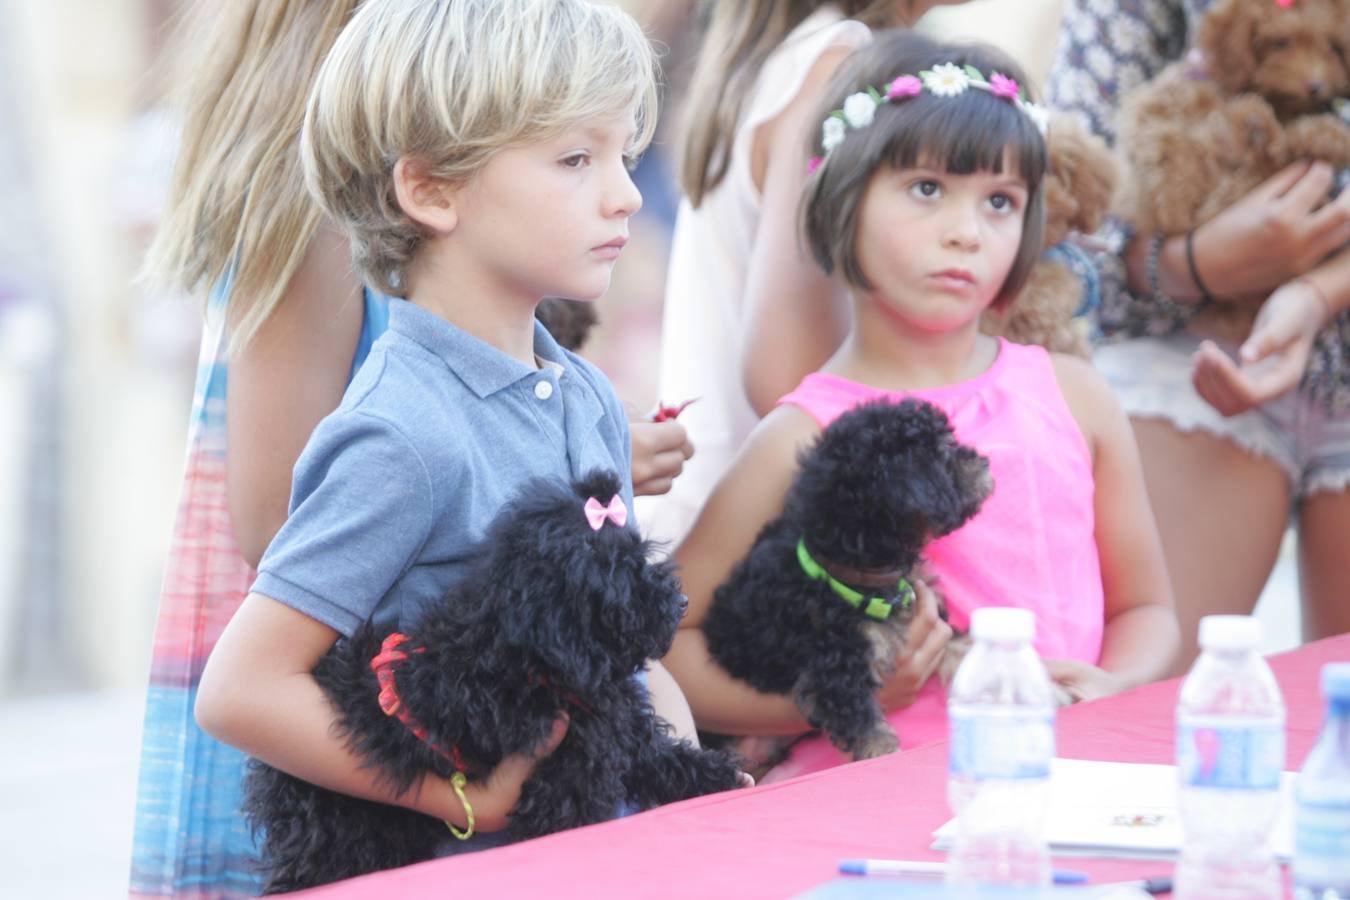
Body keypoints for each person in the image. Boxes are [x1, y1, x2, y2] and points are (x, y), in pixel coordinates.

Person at [129, 1, 691, 895]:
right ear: (431, 189)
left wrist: (683, 787)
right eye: (576, 159)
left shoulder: (583, 396)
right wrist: (462, 793)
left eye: (623, 153)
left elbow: (628, 656)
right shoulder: (403, 433)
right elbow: (241, 690)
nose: (624, 191)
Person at [663, 30, 1180, 781]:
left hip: (1076, 788)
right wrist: (823, 701)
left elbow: (1148, 610)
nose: (967, 233)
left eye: (1000, 202)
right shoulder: (800, 435)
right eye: (927, 189)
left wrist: (1116, 687)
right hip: (866, 808)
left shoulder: (1077, 396)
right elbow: (669, 641)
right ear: (843, 196)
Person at [1046, 0, 1350, 672]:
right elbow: (1069, 194)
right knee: (1130, 703)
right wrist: (1194, 263)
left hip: (1317, 330)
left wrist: (1315, 290)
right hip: (1185, 346)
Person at [637, 0, 970, 551]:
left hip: (716, 515)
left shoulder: (795, 55)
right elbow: (790, 377)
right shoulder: (834, 63)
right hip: (762, 550)